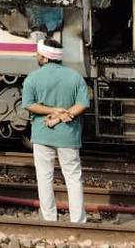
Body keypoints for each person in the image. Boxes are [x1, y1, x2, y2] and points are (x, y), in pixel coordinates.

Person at [21, 38, 89, 223]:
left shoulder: (32, 78)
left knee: (44, 177)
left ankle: (49, 219)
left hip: (42, 134)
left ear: (44, 57)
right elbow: (82, 104)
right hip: (68, 135)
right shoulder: (75, 77)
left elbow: (28, 105)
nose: (35, 56)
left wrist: (52, 112)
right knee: (73, 177)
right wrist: (60, 115)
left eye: (38, 54)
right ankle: (78, 220)